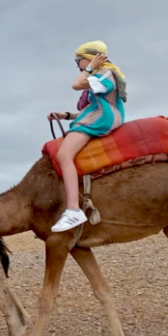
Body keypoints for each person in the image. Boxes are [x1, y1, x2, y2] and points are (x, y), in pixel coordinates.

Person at [48, 40, 127, 233]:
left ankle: (73, 210)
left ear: (90, 58)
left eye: (79, 60)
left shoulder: (105, 73)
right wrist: (66, 116)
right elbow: (91, 108)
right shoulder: (103, 75)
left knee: (64, 155)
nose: (78, 65)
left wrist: (91, 67)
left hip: (100, 120)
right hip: (98, 117)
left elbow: (76, 85)